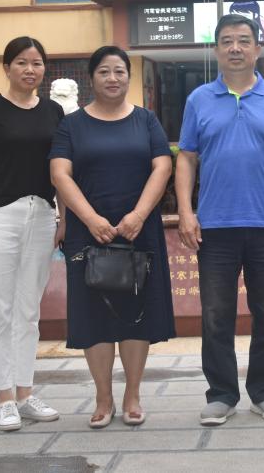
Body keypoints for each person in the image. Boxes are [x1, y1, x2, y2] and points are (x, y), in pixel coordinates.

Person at [175, 13, 264, 426]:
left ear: (257, 49)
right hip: (214, 226)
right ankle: (221, 394)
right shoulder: (199, 100)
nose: (235, 48)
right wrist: (185, 212)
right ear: (216, 50)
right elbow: (186, 159)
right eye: (227, 41)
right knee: (216, 314)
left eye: (244, 40)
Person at [49, 46, 175, 428]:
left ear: (128, 77)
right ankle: (103, 397)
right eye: (104, 71)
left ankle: (132, 395)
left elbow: (162, 166)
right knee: (94, 316)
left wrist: (139, 214)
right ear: (92, 78)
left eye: (119, 71)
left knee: (137, 313)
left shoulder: (146, 120)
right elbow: (60, 174)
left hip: (139, 231)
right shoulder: (72, 125)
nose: (113, 78)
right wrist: (90, 219)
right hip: (88, 234)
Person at [0, 36, 64, 432]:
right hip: (0, 216)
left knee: (29, 309)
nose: (30, 69)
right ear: (7, 67)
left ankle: (25, 392)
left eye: (36, 63)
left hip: (41, 216)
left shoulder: (53, 111)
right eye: (21, 62)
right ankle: (4, 397)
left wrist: (63, 218)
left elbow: (60, 170)